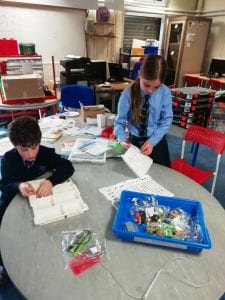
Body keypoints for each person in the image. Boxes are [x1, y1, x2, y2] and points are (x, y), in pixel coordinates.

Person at [0, 116, 74, 284]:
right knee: (3, 231)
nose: (30, 154)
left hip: (37, 203)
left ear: (39, 142)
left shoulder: (46, 153)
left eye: (34, 148)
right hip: (12, 200)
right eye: (23, 150)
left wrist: (50, 181)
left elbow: (68, 167)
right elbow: (4, 185)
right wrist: (18, 186)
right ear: (15, 146)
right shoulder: (8, 159)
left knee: (43, 232)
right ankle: (4, 266)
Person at [114, 54, 173, 167]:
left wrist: (152, 141)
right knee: (137, 174)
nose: (150, 90)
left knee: (162, 175)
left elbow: (166, 121)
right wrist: (121, 139)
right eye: (146, 85)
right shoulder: (128, 94)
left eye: (156, 87)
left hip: (157, 141)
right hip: (135, 142)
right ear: (139, 74)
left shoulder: (165, 92)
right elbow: (119, 121)